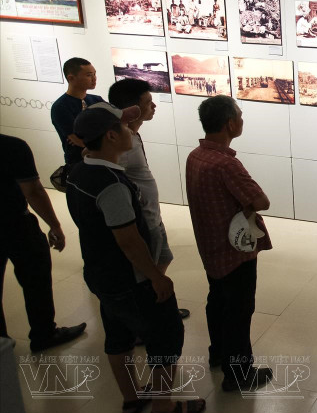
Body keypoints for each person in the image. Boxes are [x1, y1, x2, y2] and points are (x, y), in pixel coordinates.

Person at [66, 103, 204, 413]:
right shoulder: (111, 183)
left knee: (118, 338)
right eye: (125, 129)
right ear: (111, 136)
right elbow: (128, 239)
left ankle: (132, 400)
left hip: (101, 276)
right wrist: (156, 276)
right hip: (132, 279)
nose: (131, 132)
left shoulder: (79, 171)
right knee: (165, 337)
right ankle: (163, 410)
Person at [185, 96, 273, 391]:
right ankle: (238, 375)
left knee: (217, 301)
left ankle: (218, 353)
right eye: (240, 115)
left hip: (209, 247)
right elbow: (261, 201)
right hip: (234, 252)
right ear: (230, 124)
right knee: (239, 310)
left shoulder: (196, 156)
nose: (242, 120)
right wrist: (247, 208)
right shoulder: (226, 164)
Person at [108, 79, 189, 321]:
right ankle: (148, 317)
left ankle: (153, 307)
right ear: (131, 109)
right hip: (144, 218)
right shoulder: (124, 142)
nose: (154, 106)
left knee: (163, 257)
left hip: (152, 214)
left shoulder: (131, 136)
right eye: (148, 103)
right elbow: (114, 177)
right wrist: (140, 202)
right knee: (147, 271)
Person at [0, 133, 86, 351]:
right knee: (35, 280)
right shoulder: (12, 146)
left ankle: (2, 345)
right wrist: (55, 225)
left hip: (14, 223)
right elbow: (33, 191)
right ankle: (44, 334)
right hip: (14, 223)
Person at [50, 58, 105, 188]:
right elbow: (76, 139)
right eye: (88, 75)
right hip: (78, 163)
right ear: (71, 78)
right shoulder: (60, 106)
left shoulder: (96, 100)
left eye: (94, 74)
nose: (94, 78)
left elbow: (112, 126)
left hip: (101, 160)